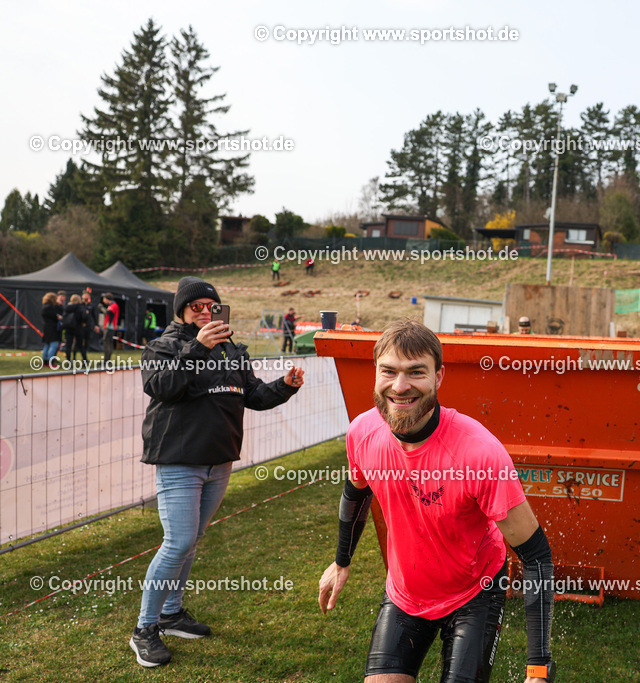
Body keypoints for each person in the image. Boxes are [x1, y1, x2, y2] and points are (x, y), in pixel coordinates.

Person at [318, 320, 556, 683]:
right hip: (405, 595)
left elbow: (536, 554)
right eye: (389, 371)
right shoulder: (362, 432)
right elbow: (357, 491)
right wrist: (341, 561)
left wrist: (539, 668)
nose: (400, 386)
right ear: (376, 373)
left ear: (439, 377)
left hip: (475, 592)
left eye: (416, 372)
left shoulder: (479, 453)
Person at [129, 276, 305, 668]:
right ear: (181, 311)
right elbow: (161, 387)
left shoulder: (233, 351)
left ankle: (172, 613)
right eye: (197, 307)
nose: (205, 313)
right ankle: (145, 629)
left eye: (212, 307)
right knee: (177, 542)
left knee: (192, 539)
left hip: (219, 460)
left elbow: (253, 395)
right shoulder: (164, 346)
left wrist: (285, 386)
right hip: (178, 459)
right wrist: (198, 347)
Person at [63, 295, 90, 361]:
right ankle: (85, 360)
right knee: (80, 345)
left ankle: (68, 360)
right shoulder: (80, 307)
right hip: (78, 328)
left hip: (69, 328)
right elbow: (85, 317)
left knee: (68, 345)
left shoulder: (68, 307)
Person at [41, 292, 61, 364]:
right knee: (54, 345)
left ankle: (45, 360)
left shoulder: (44, 306)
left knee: (47, 344)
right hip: (52, 328)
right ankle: (50, 361)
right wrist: (58, 317)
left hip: (46, 327)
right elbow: (54, 317)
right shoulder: (50, 307)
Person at [101, 293, 120, 363]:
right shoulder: (112, 305)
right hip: (109, 327)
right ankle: (106, 360)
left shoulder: (113, 305)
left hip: (110, 327)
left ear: (107, 299)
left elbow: (107, 312)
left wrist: (101, 307)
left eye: (104, 299)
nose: (103, 301)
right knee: (107, 342)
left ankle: (106, 360)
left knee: (107, 343)